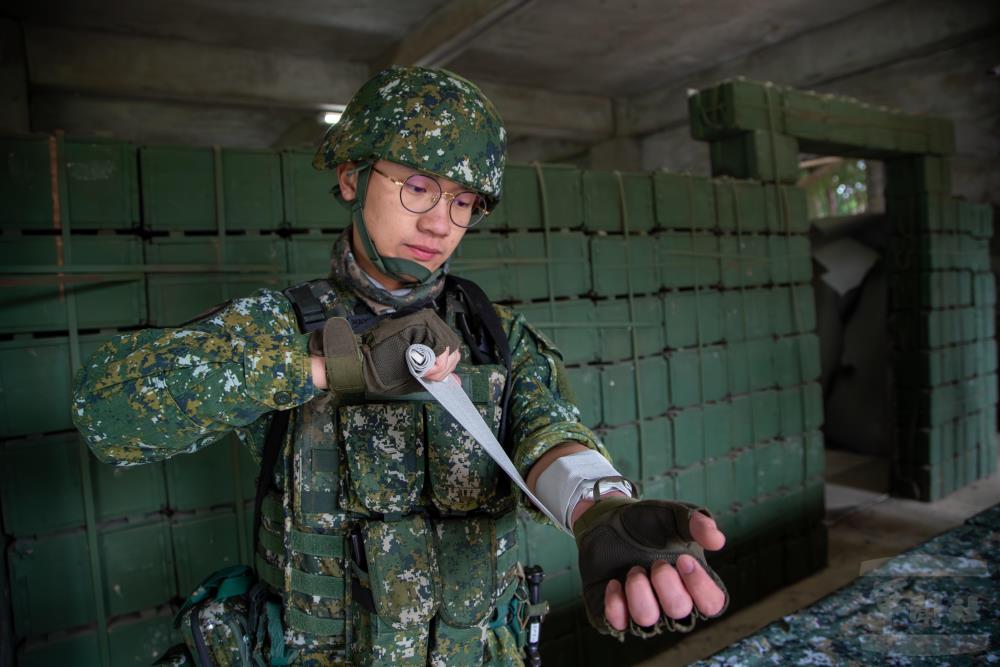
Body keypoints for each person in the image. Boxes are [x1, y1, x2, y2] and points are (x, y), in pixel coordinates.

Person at [72, 66, 728, 667]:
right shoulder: (281, 327)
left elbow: (549, 431)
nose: (441, 222)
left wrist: (599, 507)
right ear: (354, 178)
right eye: (418, 186)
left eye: (464, 201)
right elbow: (106, 413)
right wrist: (327, 368)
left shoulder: (493, 334)